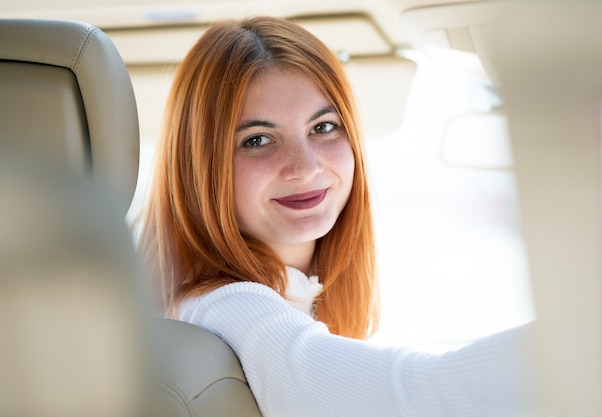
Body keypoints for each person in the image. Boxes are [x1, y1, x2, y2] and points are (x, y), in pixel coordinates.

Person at [138, 16, 537, 417]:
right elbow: (422, 397)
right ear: (199, 166)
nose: (306, 166)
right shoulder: (222, 309)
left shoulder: (281, 299)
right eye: (257, 140)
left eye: (324, 127)